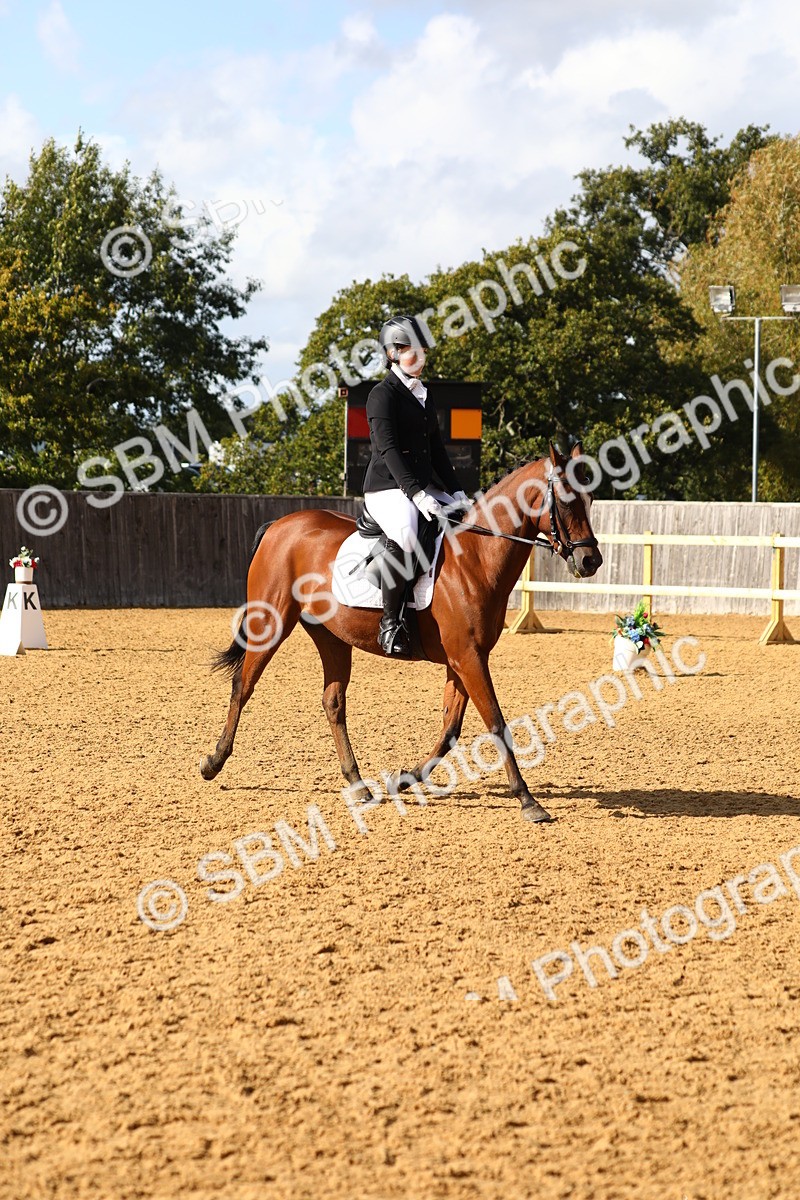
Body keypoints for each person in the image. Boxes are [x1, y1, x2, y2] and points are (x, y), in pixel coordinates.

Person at [362, 314, 473, 657]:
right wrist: (416, 494)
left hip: (422, 486)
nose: (420, 355)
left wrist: (456, 490)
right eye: (413, 349)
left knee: (466, 522)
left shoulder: (424, 394)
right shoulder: (382, 395)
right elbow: (389, 450)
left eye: (423, 349)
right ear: (393, 353)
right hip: (387, 487)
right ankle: (390, 623)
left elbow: (436, 450)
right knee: (407, 533)